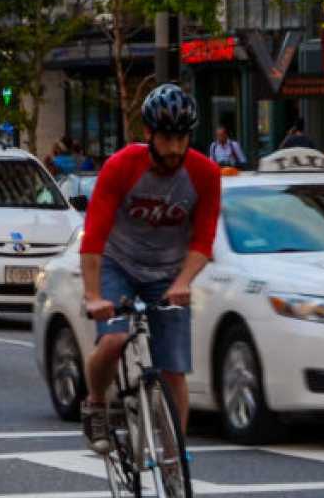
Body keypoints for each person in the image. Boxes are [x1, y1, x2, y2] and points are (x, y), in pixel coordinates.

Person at [78, 83, 222, 453]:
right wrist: (94, 296)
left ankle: (176, 464)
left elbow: (203, 241)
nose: (174, 148)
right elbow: (94, 237)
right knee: (112, 339)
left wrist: (184, 282)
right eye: (166, 138)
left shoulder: (205, 174)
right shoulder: (122, 166)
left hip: (168, 274)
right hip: (118, 263)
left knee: (172, 368)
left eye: (181, 138)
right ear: (148, 134)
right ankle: (95, 403)